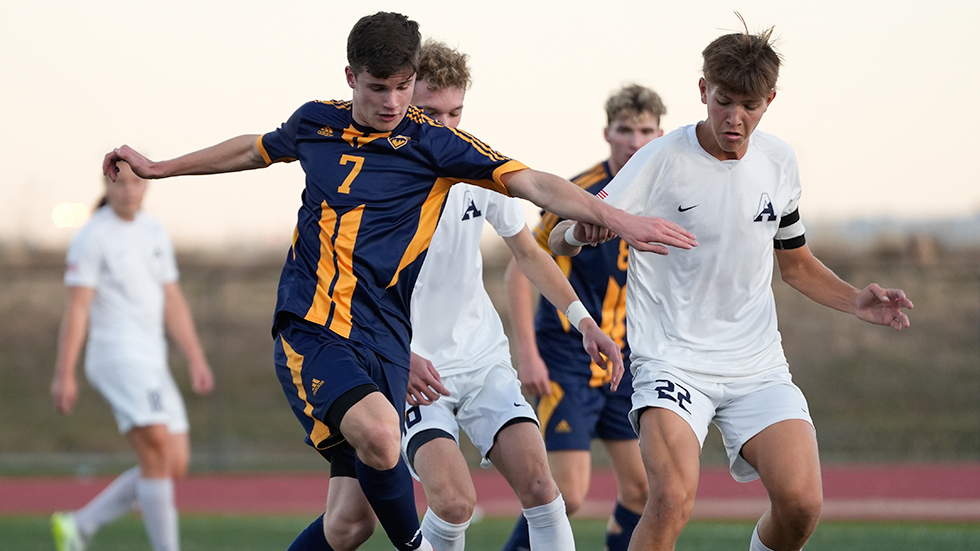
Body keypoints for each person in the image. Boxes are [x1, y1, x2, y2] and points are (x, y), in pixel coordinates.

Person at [101, 12, 697, 551]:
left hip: (438, 349)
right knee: (416, 474)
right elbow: (255, 150)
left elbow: (535, 200)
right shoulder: (326, 128)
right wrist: (162, 167)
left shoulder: (450, 153)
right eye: (384, 90)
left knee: (371, 519)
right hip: (357, 342)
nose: (401, 106)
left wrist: (613, 226)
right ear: (356, 79)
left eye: (411, 92)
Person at [553, 17, 914, 551]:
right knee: (671, 499)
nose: (735, 118)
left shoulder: (779, 161)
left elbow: (795, 265)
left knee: (801, 504)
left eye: (750, 105)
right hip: (672, 360)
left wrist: (855, 300)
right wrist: (578, 233)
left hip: (757, 365)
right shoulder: (659, 159)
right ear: (703, 91)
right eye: (724, 101)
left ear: (770, 99)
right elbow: (560, 237)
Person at [501, 83, 666, 551]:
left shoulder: (667, 191)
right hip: (568, 355)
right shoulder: (580, 191)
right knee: (568, 494)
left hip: (627, 358)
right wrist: (528, 353)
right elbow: (521, 269)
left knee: (645, 489)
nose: (635, 142)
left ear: (661, 134)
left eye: (646, 131)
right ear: (607, 133)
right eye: (626, 130)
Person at [50, 161, 214, 551]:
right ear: (107, 185)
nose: (128, 190)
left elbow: (172, 299)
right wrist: (64, 372)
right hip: (116, 356)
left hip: (152, 361)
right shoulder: (92, 236)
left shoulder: (153, 231)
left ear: (148, 185)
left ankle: (79, 526)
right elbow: (77, 309)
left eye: (136, 182)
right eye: (119, 183)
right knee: (156, 448)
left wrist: (195, 356)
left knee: (172, 463)